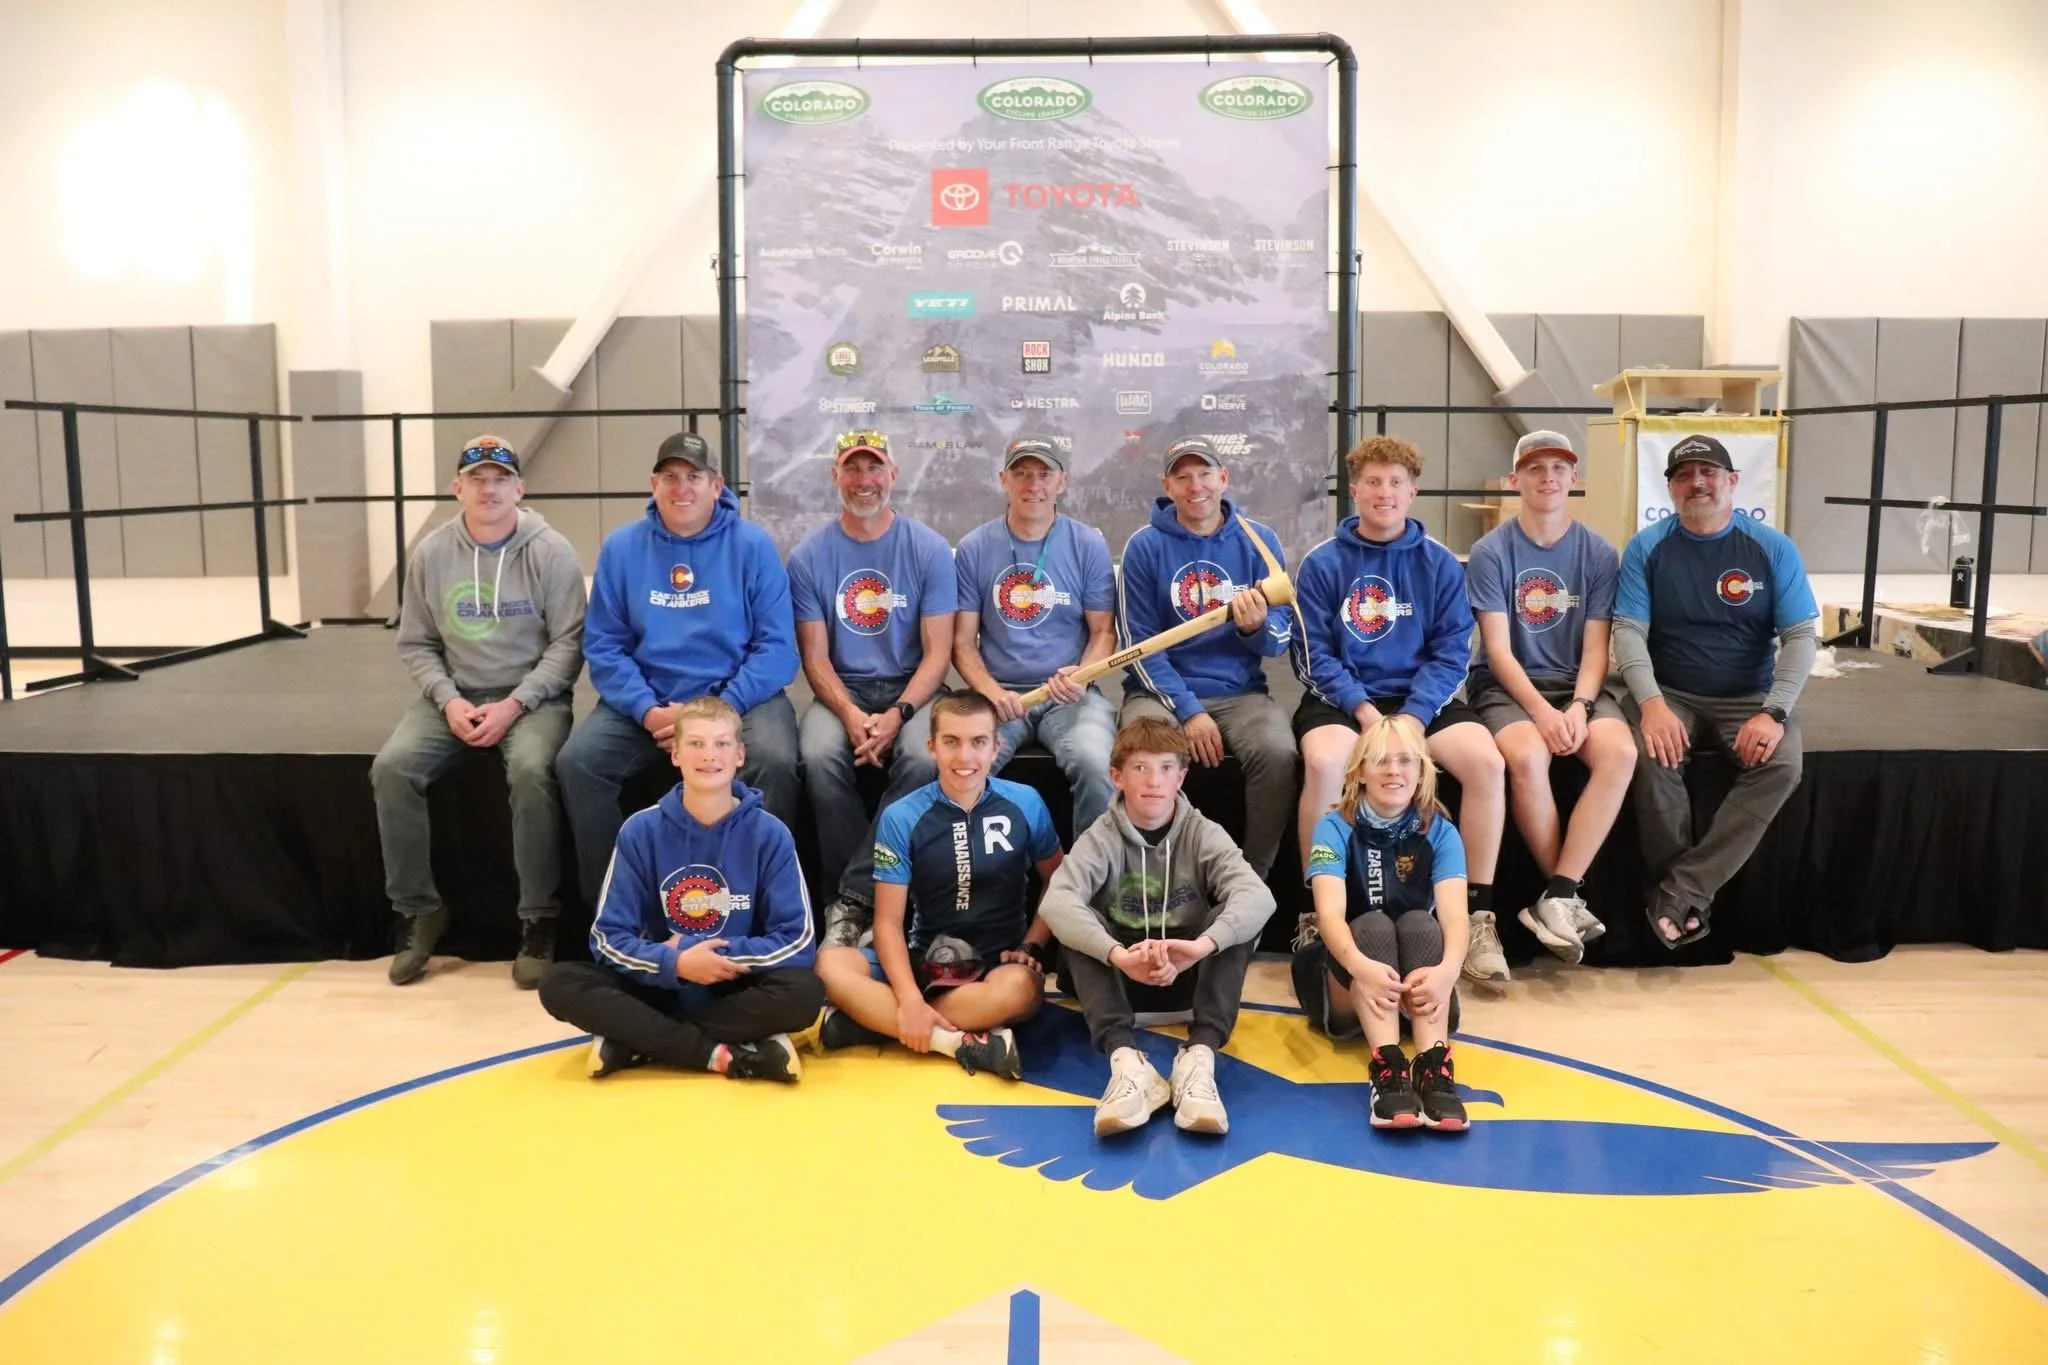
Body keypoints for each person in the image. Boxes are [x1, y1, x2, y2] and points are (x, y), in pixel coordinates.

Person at [1290, 435, 1508, 981]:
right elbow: (1312, 652)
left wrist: (1412, 717)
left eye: (1394, 483)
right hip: (1345, 702)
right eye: (1372, 482)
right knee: (1323, 764)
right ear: (1355, 490)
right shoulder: (1322, 563)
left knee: (1488, 763)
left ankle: (1479, 917)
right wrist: (1366, 714)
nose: (1383, 493)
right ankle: (1319, 915)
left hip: (1421, 703)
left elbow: (1455, 649)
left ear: (1412, 492)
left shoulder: (1438, 563)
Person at [372, 435, 587, 989]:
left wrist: (516, 704)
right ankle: (418, 910)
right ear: (457, 488)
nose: (488, 489)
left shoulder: (551, 549)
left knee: (532, 770)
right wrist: (449, 701)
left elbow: (568, 643)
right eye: (476, 480)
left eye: (499, 479)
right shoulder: (432, 553)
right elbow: (416, 643)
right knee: (392, 769)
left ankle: (538, 920)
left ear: (520, 487)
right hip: (455, 694)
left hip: (531, 696)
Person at [555, 431, 801, 910]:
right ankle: (615, 911)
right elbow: (604, 645)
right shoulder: (622, 548)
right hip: (651, 700)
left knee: (772, 758)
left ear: (717, 484)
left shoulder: (752, 546)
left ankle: (765, 904)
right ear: (654, 484)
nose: (681, 488)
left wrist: (717, 714)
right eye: (670, 477)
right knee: (578, 763)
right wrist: (647, 710)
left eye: (694, 477)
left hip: (737, 697)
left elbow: (777, 649)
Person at [537, 697, 822, 1082]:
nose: (709, 756)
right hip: (662, 981)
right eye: (696, 744)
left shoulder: (770, 833)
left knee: (805, 992)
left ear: (740, 755)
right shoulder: (641, 830)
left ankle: (641, 1037)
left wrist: (712, 958)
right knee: (559, 984)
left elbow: (797, 941)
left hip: (734, 986)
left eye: (721, 744)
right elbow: (607, 938)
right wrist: (678, 963)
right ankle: (718, 1052)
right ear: (675, 754)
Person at [1613, 434, 1818, 947]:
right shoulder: (1648, 548)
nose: (1697, 483)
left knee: (1783, 763)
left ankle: (1681, 892)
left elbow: (1800, 637)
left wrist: (1774, 712)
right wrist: (1652, 704)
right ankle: (1682, 899)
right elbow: (1628, 632)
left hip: (1748, 695)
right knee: (1649, 754)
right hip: (1672, 691)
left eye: (1708, 472)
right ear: (1670, 489)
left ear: (1732, 482)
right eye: (1684, 475)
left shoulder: (1771, 548)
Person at [1038, 716, 1277, 1137]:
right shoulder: (1101, 837)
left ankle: (1198, 1059)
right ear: (1116, 777)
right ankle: (1127, 1064)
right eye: (1140, 768)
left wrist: (1202, 947)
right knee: (1077, 925)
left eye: (1167, 768)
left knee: (1236, 920)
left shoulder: (1203, 832)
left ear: (1182, 777)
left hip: (1185, 975)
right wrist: (1116, 955)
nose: (1154, 780)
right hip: (1120, 980)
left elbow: (1259, 897)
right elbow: (1056, 902)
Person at [813, 691, 1063, 1079]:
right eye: (951, 742)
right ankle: (952, 1040)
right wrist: (911, 997)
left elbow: (1057, 880)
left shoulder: (1025, 802)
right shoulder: (901, 816)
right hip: (924, 959)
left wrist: (1032, 944)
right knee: (830, 964)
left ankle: (870, 1021)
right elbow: (887, 924)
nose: (965, 757)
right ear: (931, 747)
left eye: (978, 742)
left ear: (996, 747)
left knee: (1023, 991)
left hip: (997, 962)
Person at [1465, 430, 1637, 962]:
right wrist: (1542, 714)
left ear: (1574, 479)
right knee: (1526, 755)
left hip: (1575, 686)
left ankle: (1558, 896)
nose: (1548, 478)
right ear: (1516, 480)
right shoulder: (1491, 551)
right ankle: (1563, 894)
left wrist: (1581, 708)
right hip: (1509, 686)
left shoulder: (1599, 552)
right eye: (1535, 469)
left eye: (1559, 468)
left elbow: (1596, 649)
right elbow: (1497, 650)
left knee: (1621, 753)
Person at [789, 430, 954, 919]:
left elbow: (937, 653)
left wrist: (899, 714)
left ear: (893, 475)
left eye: (874, 468)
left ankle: (856, 893)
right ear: (835, 475)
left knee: (925, 762)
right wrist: (851, 713)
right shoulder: (809, 556)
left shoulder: (929, 550)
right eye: (853, 469)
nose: (865, 481)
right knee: (817, 757)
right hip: (843, 688)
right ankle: (848, 908)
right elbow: (815, 658)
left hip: (915, 688)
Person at [1116, 435, 1297, 880]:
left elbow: (1280, 638)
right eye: (1183, 476)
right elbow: (1138, 647)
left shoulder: (1260, 540)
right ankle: (1151, 880)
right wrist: (1190, 711)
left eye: (1205, 474)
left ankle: (1252, 884)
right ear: (1168, 485)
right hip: (1159, 694)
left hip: (1241, 694)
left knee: (1278, 754)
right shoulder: (1144, 546)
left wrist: (1254, 627)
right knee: (1142, 756)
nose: (1196, 486)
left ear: (1224, 478)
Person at [1292, 715, 1470, 1131]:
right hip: (1349, 973)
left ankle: (1434, 1070)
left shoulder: (1440, 831)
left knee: (1419, 925)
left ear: (1422, 771)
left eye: (1406, 761)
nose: (1394, 770)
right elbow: (1329, 915)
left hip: (1415, 985)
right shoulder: (1334, 826)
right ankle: (1387, 1069)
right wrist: (1360, 967)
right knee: (1372, 924)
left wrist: (1448, 972)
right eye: (1381, 761)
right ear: (1360, 773)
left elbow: (1456, 919)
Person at [953, 435, 1119, 840]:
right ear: (1003, 479)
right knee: (963, 766)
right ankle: (967, 884)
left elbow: (1103, 631)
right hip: (1001, 696)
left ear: (1062, 481)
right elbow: (961, 644)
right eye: (1021, 474)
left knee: (1096, 764)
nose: (1033, 485)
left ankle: (1086, 888)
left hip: (1069, 694)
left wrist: (1081, 676)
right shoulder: (975, 547)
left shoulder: (1087, 544)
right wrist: (992, 694)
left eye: (1044, 474)